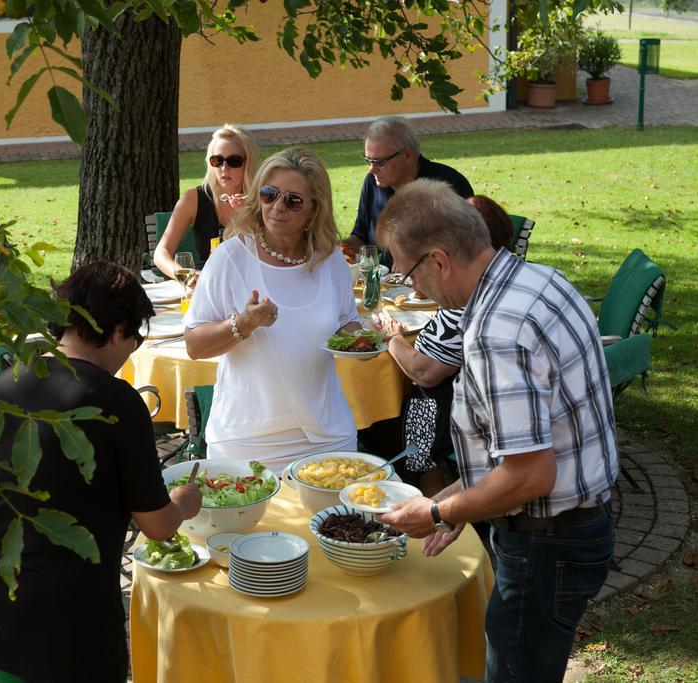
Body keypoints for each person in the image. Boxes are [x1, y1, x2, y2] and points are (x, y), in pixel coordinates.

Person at [377, 180, 619, 682]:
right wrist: (458, 499)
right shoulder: (540, 279)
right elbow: (532, 443)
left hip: (545, 546)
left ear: (439, 260)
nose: (413, 290)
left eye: (409, 273)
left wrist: (440, 510)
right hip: (571, 531)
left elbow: (531, 476)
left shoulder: (496, 334)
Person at [0, 262, 203, 683]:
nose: (132, 351)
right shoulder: (117, 402)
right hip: (68, 621)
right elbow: (158, 526)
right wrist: (183, 503)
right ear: (119, 329)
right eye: (136, 338)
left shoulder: (1, 385)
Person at [184, 147, 361, 475]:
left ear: (313, 210)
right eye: (269, 194)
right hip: (248, 441)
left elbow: (346, 324)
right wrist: (244, 323)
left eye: (292, 201)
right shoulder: (230, 259)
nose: (277, 207)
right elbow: (194, 344)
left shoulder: (330, 261)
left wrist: (363, 338)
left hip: (328, 437)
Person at [379, 195, 515, 496]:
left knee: (394, 427)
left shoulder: (466, 305)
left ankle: (427, 499)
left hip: (436, 406)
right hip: (438, 400)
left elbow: (425, 372)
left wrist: (393, 339)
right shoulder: (477, 289)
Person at [342, 115, 473, 269]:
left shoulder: (448, 185)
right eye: (368, 160)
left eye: (380, 162)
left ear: (408, 155)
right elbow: (361, 235)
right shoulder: (372, 183)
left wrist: (413, 259)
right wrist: (344, 248)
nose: (372, 169)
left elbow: (464, 249)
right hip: (389, 286)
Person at [153, 124, 259, 277]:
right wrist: (185, 274)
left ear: (248, 163)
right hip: (208, 282)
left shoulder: (265, 199)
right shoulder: (193, 199)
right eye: (217, 160)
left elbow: (277, 252)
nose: (224, 168)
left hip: (252, 283)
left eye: (234, 161)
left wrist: (250, 216)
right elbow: (161, 253)